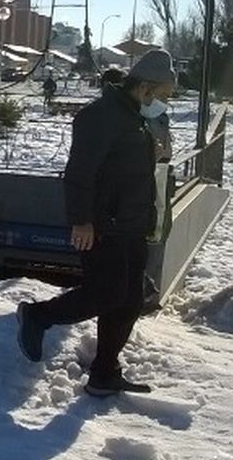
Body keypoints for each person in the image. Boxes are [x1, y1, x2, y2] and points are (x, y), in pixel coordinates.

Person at [16, 50, 176, 397]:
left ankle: (105, 372)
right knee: (107, 293)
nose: (164, 103)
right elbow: (79, 173)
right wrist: (82, 221)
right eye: (163, 95)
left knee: (129, 301)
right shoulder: (102, 116)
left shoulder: (133, 116)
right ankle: (37, 316)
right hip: (104, 225)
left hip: (132, 225)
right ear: (145, 88)